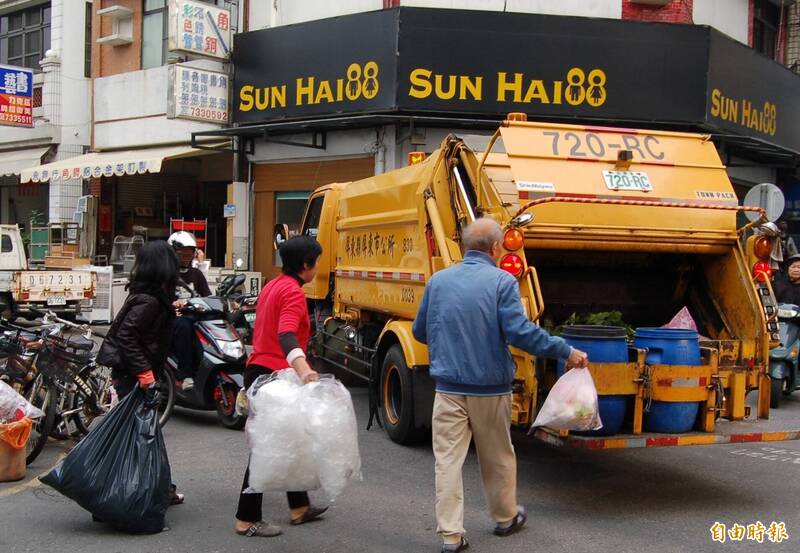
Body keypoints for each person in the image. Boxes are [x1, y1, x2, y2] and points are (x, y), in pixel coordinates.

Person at [412, 218, 589, 553]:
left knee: (447, 461)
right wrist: (565, 351)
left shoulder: (438, 281)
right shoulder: (502, 282)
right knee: (497, 457)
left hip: (447, 387)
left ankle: (451, 536)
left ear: (465, 246)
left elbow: (421, 331)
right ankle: (505, 518)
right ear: (495, 248)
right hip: (489, 387)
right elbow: (521, 333)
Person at [234, 235, 328, 538]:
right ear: (305, 264)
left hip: (260, 370)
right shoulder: (293, 293)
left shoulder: (274, 285)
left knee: (291, 441)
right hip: (275, 376)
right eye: (316, 262)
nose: (317, 267)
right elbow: (287, 333)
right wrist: (303, 369)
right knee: (265, 449)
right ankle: (246, 519)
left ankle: (299, 507)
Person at [97, 240, 185, 507]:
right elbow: (127, 336)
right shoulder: (150, 301)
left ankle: (161, 489)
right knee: (139, 438)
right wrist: (145, 375)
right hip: (134, 379)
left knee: (144, 436)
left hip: (132, 376)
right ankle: (110, 496)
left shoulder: (148, 297)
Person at [167, 231, 212, 391]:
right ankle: (183, 375)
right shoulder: (167, 274)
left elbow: (207, 296)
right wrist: (173, 304)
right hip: (174, 320)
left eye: (190, 252)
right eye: (182, 252)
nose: (186, 255)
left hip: (194, 316)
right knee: (184, 326)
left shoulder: (197, 274)